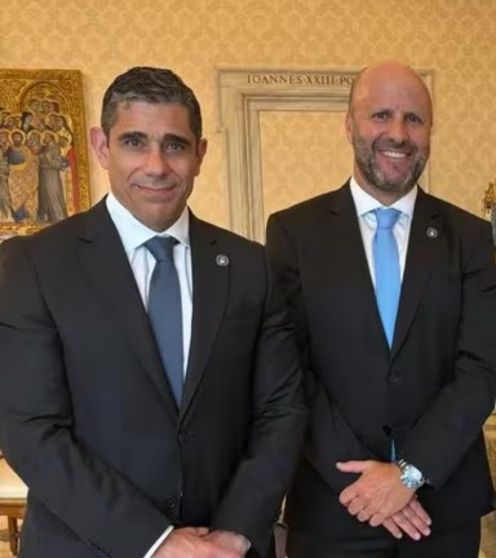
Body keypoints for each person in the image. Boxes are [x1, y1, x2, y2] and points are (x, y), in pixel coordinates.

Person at [0, 66, 308, 558]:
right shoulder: (35, 264)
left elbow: (282, 410)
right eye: (134, 142)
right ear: (102, 147)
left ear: (200, 154)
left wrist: (235, 532)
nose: (156, 165)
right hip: (87, 547)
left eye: (175, 145)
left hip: (225, 548)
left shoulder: (250, 265)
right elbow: (31, 430)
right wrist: (156, 542)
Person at [265, 61, 496, 557]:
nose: (398, 133)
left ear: (430, 131)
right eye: (380, 115)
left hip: (440, 509)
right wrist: (369, 484)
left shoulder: (469, 238)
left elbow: (480, 366)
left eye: (414, 119)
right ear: (349, 124)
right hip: (336, 504)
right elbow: (289, 370)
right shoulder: (293, 233)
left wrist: (410, 474)